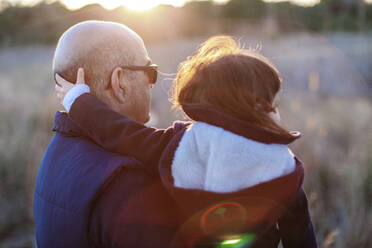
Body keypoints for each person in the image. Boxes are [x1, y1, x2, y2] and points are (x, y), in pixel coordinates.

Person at [56, 36, 318, 247]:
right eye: (273, 104)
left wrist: (79, 100)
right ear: (257, 107)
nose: (277, 112)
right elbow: (302, 236)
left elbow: (119, 132)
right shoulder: (283, 169)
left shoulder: (180, 146)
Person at [33, 20, 179, 248]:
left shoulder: (58, 147)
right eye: (150, 72)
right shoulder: (129, 184)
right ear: (119, 82)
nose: (152, 83)